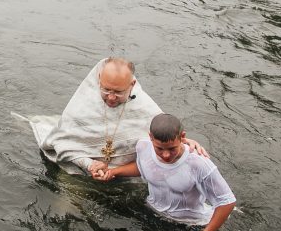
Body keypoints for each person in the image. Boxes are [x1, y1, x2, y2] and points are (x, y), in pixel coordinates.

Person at [28, 57, 207, 176]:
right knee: (68, 208)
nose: (111, 97)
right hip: (81, 172)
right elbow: (63, 145)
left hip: (128, 176)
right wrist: (88, 164)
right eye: (106, 89)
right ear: (99, 79)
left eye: (118, 92)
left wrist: (183, 142)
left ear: (132, 85)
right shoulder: (82, 106)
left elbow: (163, 139)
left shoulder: (145, 107)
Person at [93, 113, 236, 231]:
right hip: (153, 213)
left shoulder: (198, 163)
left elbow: (226, 201)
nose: (166, 155)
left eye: (172, 149)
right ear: (150, 137)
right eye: (159, 149)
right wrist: (113, 172)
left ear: (182, 137)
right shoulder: (143, 147)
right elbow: (143, 166)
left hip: (191, 224)